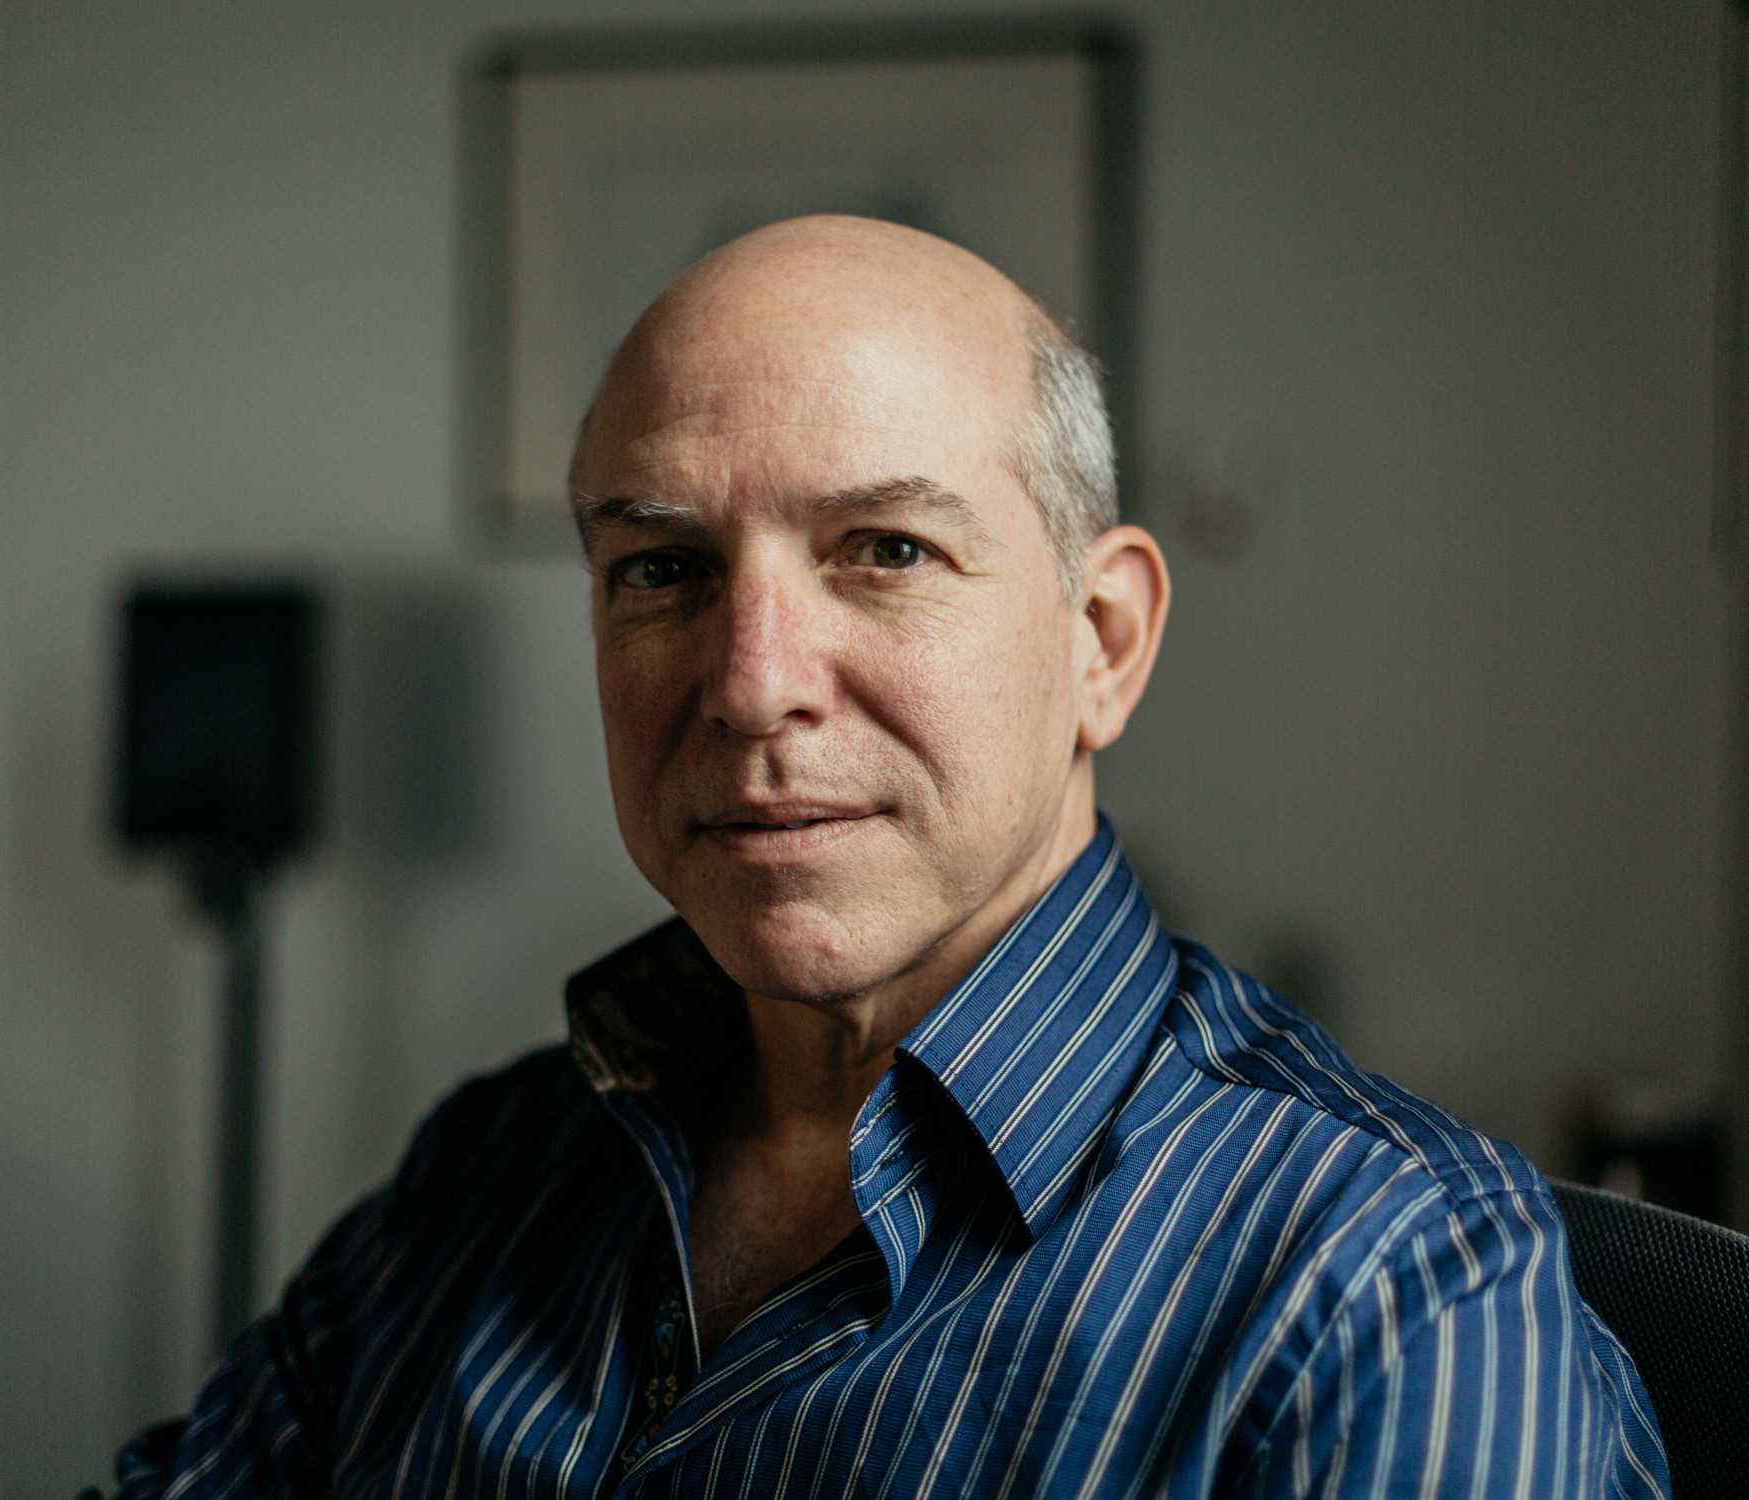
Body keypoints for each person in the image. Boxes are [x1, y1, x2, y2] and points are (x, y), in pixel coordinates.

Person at [102, 218, 1668, 1498]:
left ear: (1103, 640)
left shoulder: (1387, 1291)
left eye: (887, 552)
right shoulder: (486, 1173)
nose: (751, 678)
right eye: (664, 569)